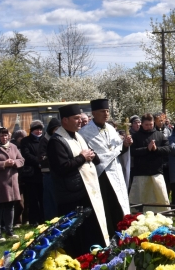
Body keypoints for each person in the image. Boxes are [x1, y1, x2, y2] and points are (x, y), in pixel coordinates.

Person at [47, 104, 108, 256]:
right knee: (76, 236)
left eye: (81, 119)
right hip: (71, 197)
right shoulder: (57, 141)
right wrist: (82, 157)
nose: (80, 122)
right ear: (65, 120)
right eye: (76, 119)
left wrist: (93, 156)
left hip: (86, 192)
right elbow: (61, 168)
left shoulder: (78, 136)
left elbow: (92, 156)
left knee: (90, 231)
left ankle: (93, 257)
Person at [78, 99, 132, 234]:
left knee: (120, 203)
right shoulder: (85, 132)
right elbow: (93, 155)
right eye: (103, 111)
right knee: (108, 206)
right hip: (101, 174)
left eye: (107, 111)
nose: (106, 114)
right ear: (94, 113)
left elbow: (119, 150)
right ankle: (110, 232)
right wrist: (111, 153)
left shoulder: (111, 129)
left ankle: (124, 231)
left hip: (116, 171)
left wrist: (125, 145)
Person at [129, 113, 171, 212]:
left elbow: (168, 149)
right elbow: (132, 151)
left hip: (156, 171)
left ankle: (163, 215)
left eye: (151, 124)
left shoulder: (159, 135)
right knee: (140, 198)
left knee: (160, 197)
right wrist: (146, 149)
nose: (149, 127)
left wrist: (156, 149)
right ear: (142, 124)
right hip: (141, 173)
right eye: (146, 125)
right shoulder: (136, 136)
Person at [19, 120, 45, 226]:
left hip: (44, 173)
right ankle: (33, 220)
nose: (39, 132)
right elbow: (26, 155)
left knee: (43, 198)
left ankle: (43, 219)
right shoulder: (25, 141)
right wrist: (38, 162)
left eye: (40, 129)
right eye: (36, 130)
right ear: (32, 130)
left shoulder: (44, 139)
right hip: (32, 174)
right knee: (32, 199)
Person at [38, 118, 60, 220]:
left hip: (59, 173)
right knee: (50, 199)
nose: (57, 131)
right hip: (48, 173)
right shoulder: (45, 140)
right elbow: (42, 157)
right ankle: (51, 219)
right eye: (55, 129)